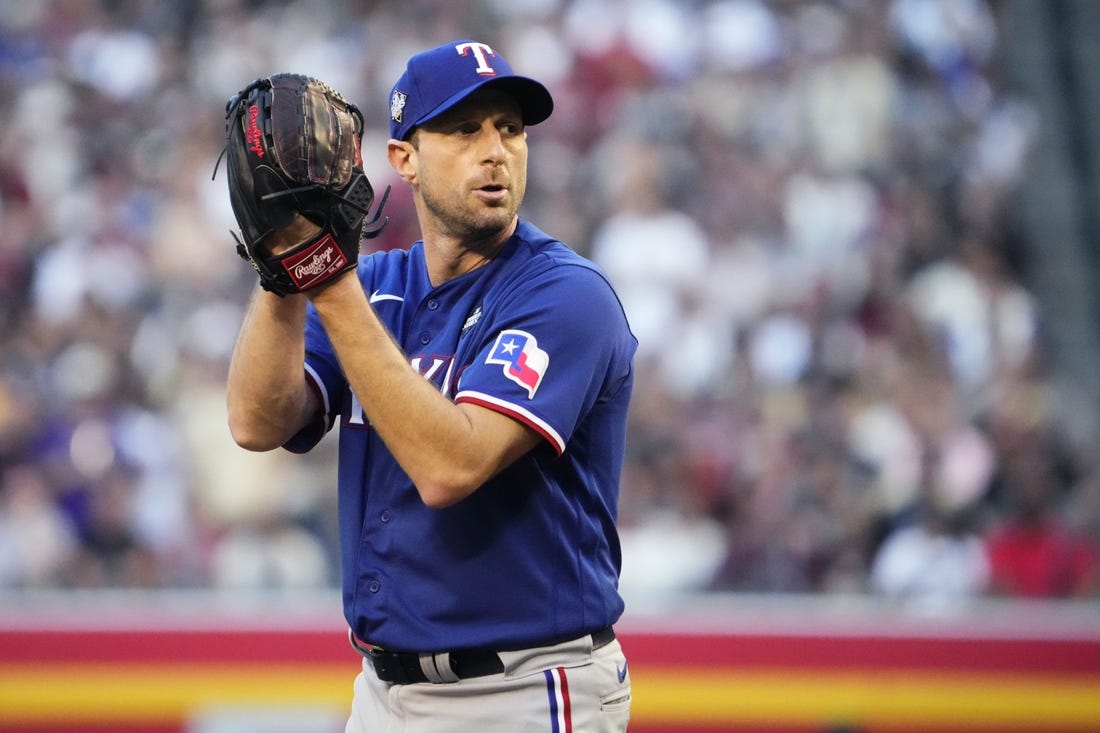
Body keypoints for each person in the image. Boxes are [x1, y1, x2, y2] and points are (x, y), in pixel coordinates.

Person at [225, 40, 636, 732]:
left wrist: (325, 277)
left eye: (509, 128)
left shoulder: (566, 294)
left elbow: (452, 465)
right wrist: (281, 270)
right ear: (404, 159)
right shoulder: (379, 287)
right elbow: (256, 422)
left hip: (523, 688)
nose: (495, 149)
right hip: (384, 691)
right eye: (463, 128)